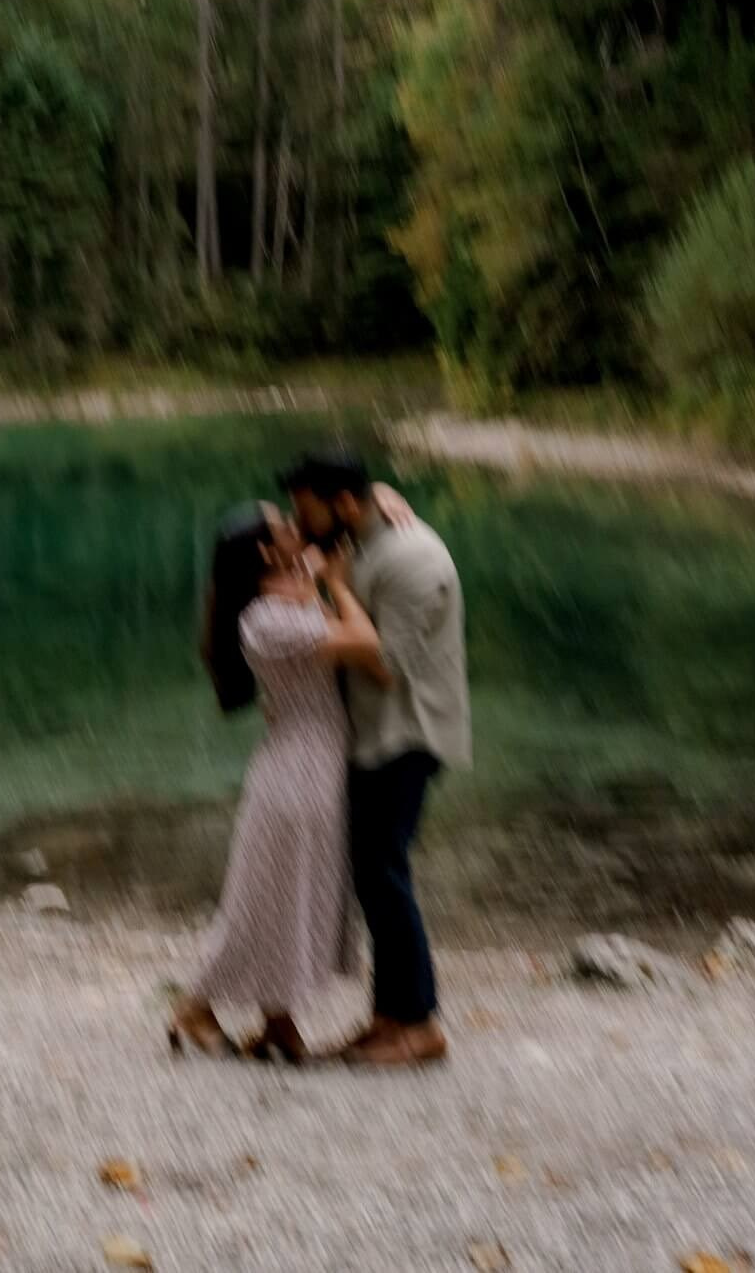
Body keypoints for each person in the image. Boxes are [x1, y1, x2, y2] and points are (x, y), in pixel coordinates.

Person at [169, 500, 386, 1063]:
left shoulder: (288, 593)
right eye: (284, 525)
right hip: (299, 772)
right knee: (265, 900)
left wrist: (382, 498)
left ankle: (279, 1023)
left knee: (290, 896)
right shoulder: (266, 618)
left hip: (312, 764)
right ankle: (194, 1006)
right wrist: (338, 585)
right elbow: (367, 644)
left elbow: (345, 518)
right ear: (268, 550)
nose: (296, 525)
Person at [282, 450, 468, 1068]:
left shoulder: (413, 559)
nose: (298, 522)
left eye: (305, 510)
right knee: (373, 874)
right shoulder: (360, 538)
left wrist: (332, 590)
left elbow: (388, 665)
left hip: (407, 736)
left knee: (385, 873)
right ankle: (389, 1018)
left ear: (343, 503)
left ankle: (420, 1025)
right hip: (375, 736)